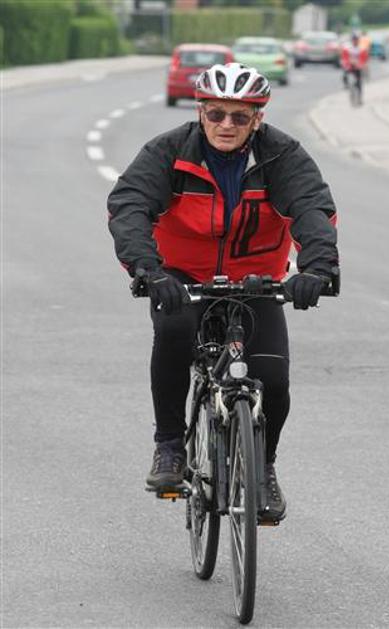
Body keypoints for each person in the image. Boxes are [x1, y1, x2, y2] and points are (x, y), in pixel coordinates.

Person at [107, 62, 339, 522]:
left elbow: (312, 209)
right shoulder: (169, 152)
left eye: (239, 116)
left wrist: (317, 268)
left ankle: (263, 469)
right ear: (201, 112)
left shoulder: (281, 156)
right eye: (215, 114)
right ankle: (169, 447)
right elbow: (130, 206)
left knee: (273, 380)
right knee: (173, 332)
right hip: (181, 277)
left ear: (257, 119)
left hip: (256, 280)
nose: (225, 125)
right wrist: (149, 271)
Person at [341, 32, 369, 104]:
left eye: (356, 40)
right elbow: (344, 58)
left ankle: (359, 98)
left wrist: (361, 65)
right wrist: (346, 63)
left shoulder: (362, 49)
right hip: (349, 66)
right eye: (354, 40)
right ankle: (346, 85)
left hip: (358, 67)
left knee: (359, 82)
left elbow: (364, 59)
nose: (355, 41)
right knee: (344, 75)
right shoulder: (347, 48)